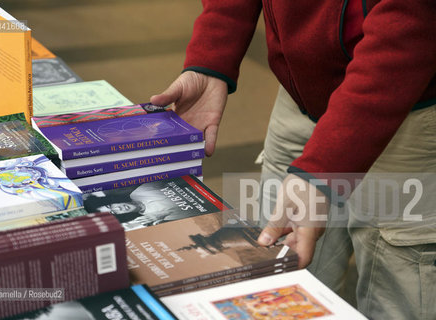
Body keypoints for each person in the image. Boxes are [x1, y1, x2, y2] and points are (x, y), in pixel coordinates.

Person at [150, 1, 436, 319]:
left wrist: (324, 167)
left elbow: (409, 28)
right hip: (301, 97)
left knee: (396, 294)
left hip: (401, 103)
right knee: (278, 276)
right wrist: (210, 58)